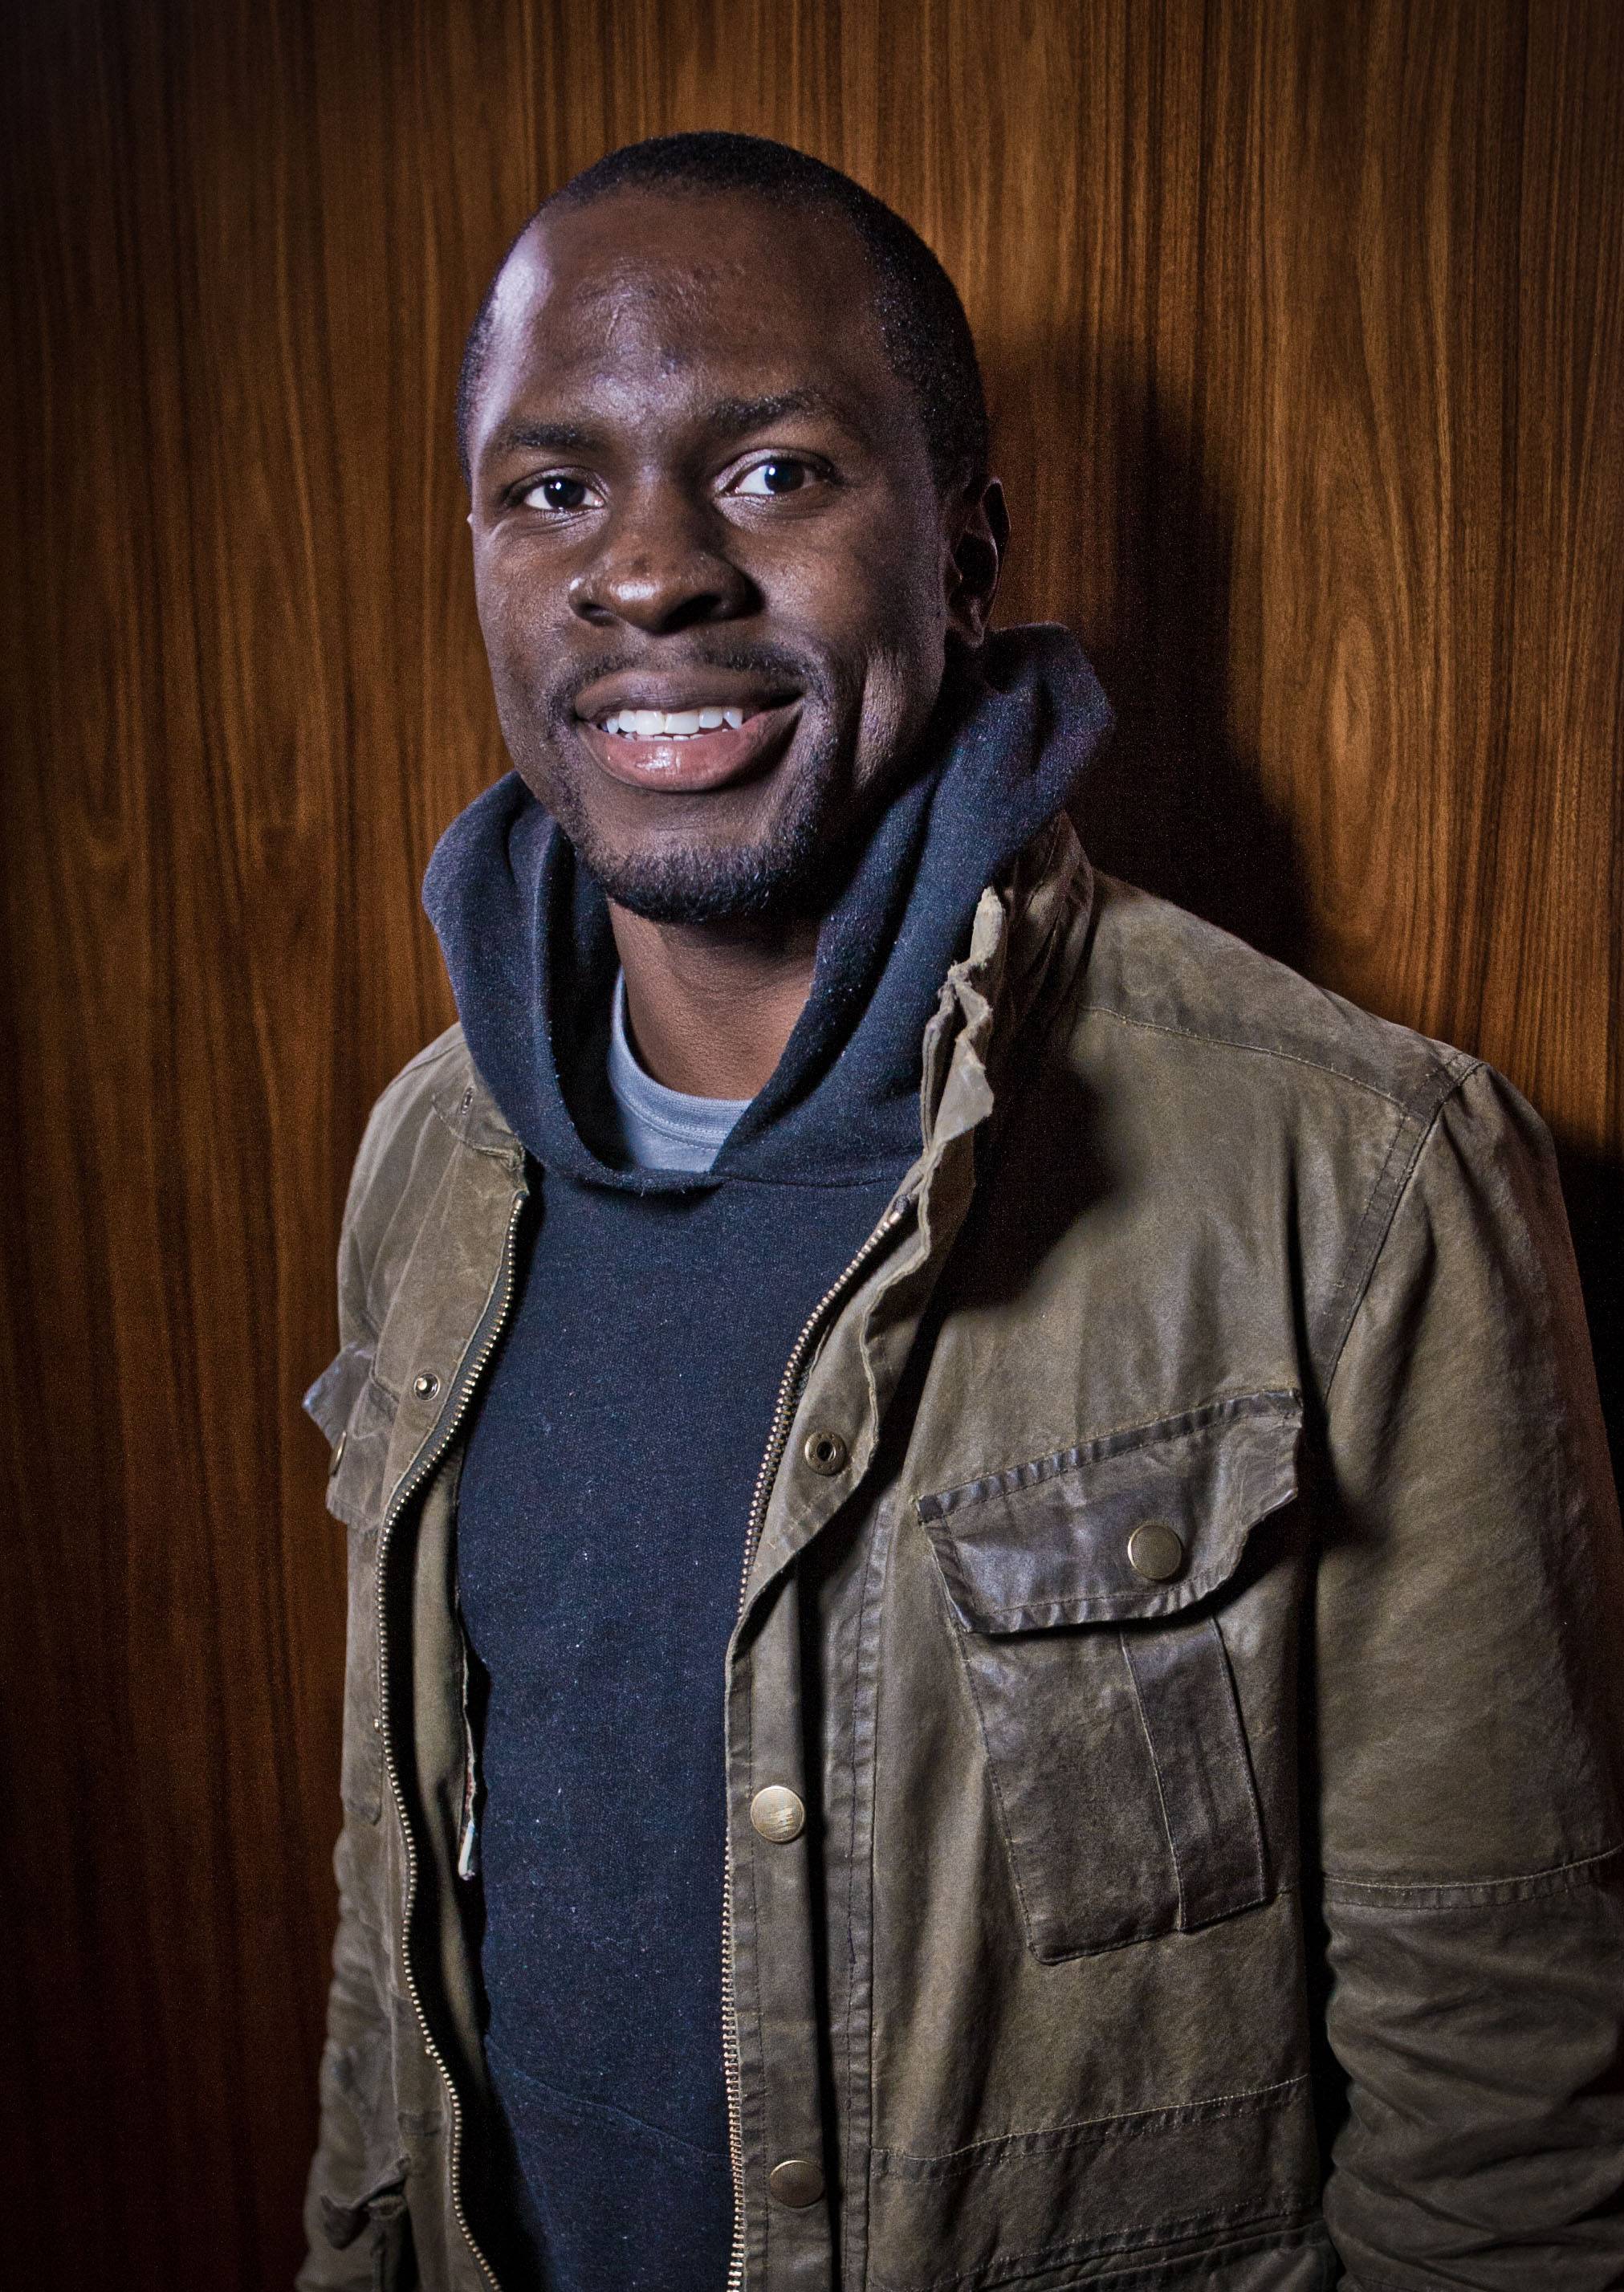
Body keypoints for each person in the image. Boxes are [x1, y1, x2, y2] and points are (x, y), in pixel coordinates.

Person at [297, 132, 1623, 2292]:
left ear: (966, 547)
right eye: (551, 491)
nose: (645, 577)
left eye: (773, 474)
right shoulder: (428, 1164)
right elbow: (398, 1959)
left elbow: (1505, 2132)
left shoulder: (1362, 1183)